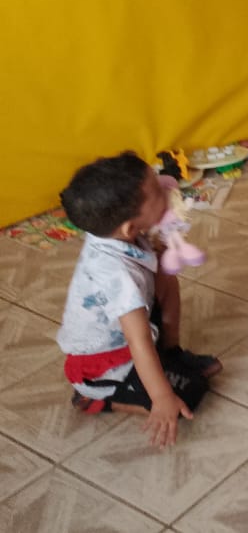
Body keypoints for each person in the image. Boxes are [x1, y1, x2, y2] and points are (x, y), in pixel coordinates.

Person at [55, 152, 221, 448]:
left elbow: (151, 268)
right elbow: (139, 341)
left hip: (130, 323)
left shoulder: (117, 233)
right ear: (130, 228)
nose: (166, 187)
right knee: (191, 394)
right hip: (105, 363)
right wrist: (162, 397)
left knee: (166, 275)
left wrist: (164, 244)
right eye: (157, 191)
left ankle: (171, 352)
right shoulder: (117, 277)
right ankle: (97, 399)